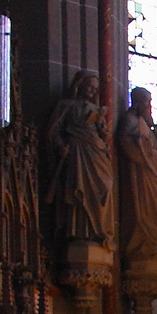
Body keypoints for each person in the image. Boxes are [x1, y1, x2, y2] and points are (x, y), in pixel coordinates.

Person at [45, 71, 115, 245]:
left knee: (104, 187)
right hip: (77, 152)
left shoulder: (96, 110)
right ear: (79, 86)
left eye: (94, 89)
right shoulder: (67, 106)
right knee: (78, 190)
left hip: (96, 153)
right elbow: (54, 130)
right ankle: (79, 232)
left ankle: (97, 232)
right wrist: (61, 146)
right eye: (88, 87)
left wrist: (104, 130)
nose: (91, 91)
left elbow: (104, 135)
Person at [117, 87, 157, 262]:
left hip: (156, 176)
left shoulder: (148, 126)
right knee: (144, 215)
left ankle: (154, 247)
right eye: (147, 102)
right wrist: (146, 158)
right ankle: (143, 245)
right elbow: (125, 142)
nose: (149, 106)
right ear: (138, 102)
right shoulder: (130, 120)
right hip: (143, 176)